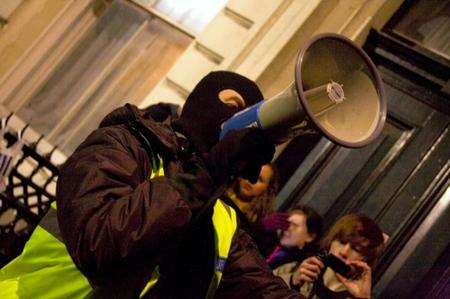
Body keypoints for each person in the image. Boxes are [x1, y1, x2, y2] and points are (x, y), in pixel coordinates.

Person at [1, 71, 304, 298]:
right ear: (199, 103)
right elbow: (100, 246)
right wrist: (209, 173)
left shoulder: (222, 221)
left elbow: (261, 290)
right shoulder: (123, 145)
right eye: (232, 105)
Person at [291, 214, 385, 299]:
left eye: (356, 249)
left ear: (366, 259)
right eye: (342, 242)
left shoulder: (357, 294)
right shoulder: (300, 267)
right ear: (331, 241)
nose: (344, 252)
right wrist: (293, 282)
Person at [269, 206, 322, 271]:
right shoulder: (270, 243)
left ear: (310, 237)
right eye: (287, 223)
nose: (287, 228)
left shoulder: (303, 267)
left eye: (294, 225)